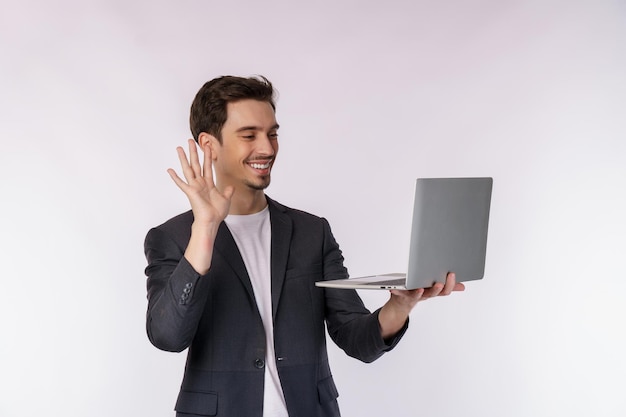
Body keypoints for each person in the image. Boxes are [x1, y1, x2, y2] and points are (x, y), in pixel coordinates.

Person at [143, 75, 464, 417]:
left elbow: (357, 339)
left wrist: (400, 306)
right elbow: (168, 337)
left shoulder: (312, 232)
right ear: (209, 146)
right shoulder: (174, 237)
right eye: (249, 135)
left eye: (272, 133)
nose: (267, 148)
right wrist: (205, 228)